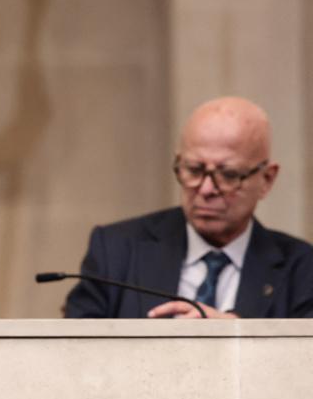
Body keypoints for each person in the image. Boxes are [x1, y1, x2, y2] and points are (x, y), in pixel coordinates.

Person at [65, 96, 313, 318]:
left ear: (267, 179)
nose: (206, 189)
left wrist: (236, 334)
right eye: (194, 170)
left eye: (228, 175)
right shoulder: (117, 250)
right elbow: (73, 347)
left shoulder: (302, 268)